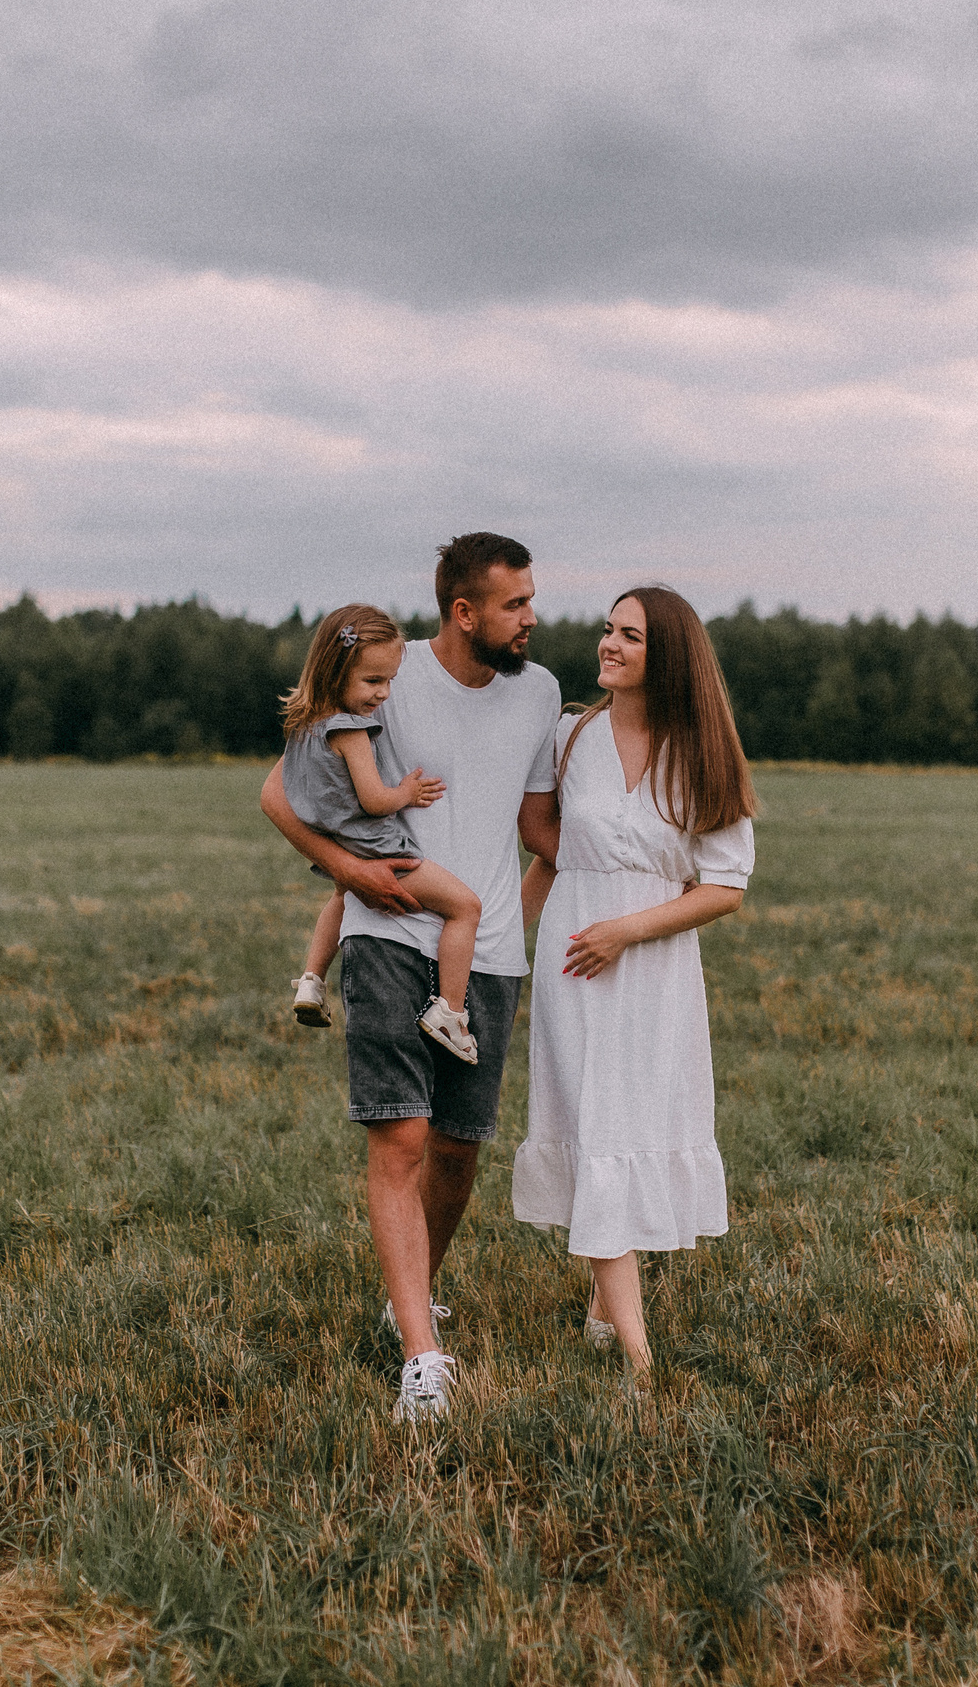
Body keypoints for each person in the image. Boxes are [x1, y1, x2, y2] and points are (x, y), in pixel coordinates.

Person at [260, 533, 562, 1423]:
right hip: (390, 930)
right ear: (464, 612)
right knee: (401, 1139)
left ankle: (412, 1295)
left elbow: (538, 829)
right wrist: (348, 872)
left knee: (459, 1147)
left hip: (488, 953)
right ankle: (422, 1359)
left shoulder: (541, 694)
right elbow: (278, 793)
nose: (532, 617)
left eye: (530, 599)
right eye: (515, 604)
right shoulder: (388, 678)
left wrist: (551, 902)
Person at [511, 586, 756, 1377]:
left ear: (668, 656)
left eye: (631, 635)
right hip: (573, 963)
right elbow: (546, 845)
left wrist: (627, 929)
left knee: (624, 1127)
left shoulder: (702, 753)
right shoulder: (570, 736)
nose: (608, 644)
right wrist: (503, 946)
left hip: (652, 969)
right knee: (595, 1125)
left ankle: (604, 1310)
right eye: (608, 629)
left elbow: (726, 886)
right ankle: (640, 1361)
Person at [280, 605, 484, 1065]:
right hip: (380, 850)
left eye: (390, 680)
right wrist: (406, 792)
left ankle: (312, 979)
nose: (384, 693)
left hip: (341, 846)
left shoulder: (304, 728)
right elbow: (373, 800)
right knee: (465, 907)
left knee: (340, 899)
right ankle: (450, 1012)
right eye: (373, 681)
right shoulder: (351, 730)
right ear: (335, 671)